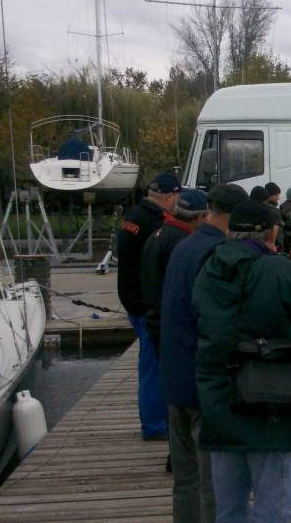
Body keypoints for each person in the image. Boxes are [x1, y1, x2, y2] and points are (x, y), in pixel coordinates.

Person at [194, 202, 291, 523]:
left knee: (229, 510)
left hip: (219, 399)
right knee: (275, 510)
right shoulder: (275, 269)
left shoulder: (209, 266)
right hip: (268, 403)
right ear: (273, 233)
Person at [160, 184, 248, 523]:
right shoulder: (217, 252)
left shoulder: (183, 246)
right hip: (204, 386)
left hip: (174, 381)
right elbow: (219, 321)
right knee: (215, 483)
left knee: (185, 481)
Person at [117, 172, 180, 440]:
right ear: (168, 196)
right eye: (177, 196)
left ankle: (155, 420)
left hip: (132, 299)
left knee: (149, 363)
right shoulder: (156, 222)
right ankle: (155, 425)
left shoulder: (133, 216)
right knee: (153, 366)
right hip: (146, 303)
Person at [141, 188, 208, 353]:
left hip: (153, 318)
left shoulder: (156, 234)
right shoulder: (184, 243)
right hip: (172, 324)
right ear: (199, 217)